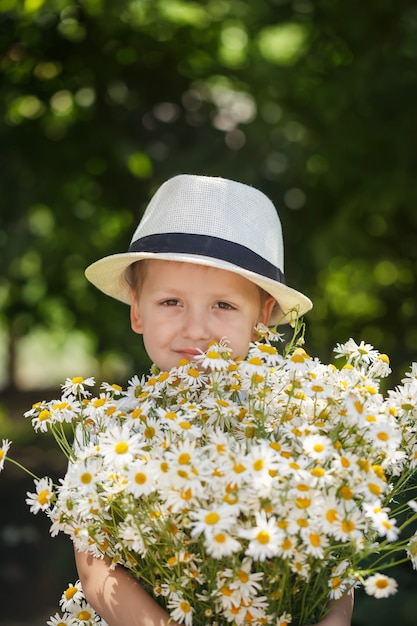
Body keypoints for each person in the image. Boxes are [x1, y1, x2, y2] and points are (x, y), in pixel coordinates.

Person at [75, 174, 354, 626]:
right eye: (171, 302)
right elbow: (95, 568)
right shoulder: (111, 432)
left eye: (223, 306)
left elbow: (335, 559)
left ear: (262, 321)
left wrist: (334, 619)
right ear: (137, 310)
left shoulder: (298, 421)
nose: (197, 330)